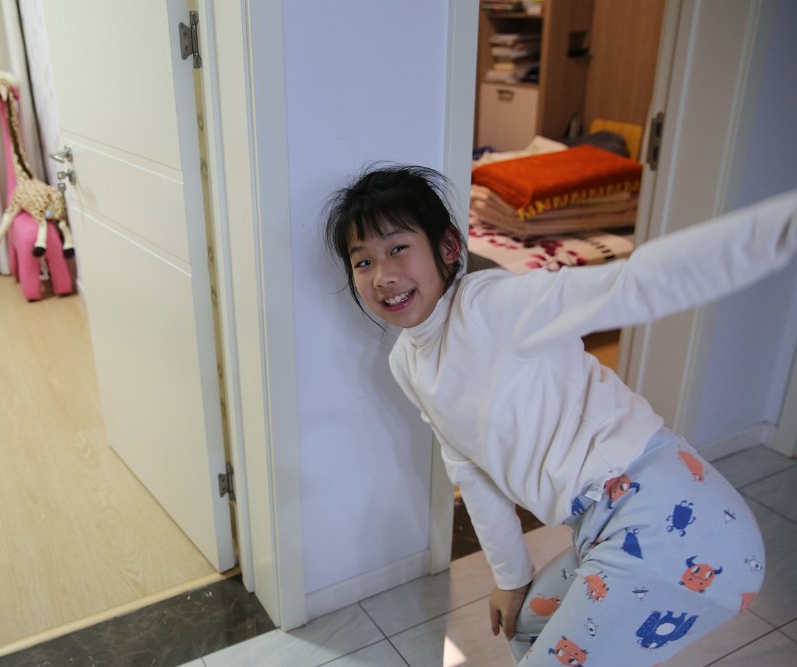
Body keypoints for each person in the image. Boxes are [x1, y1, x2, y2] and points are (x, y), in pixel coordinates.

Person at [323, 164, 797, 665]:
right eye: (363, 261)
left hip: (672, 517)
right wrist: (511, 579)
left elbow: (633, 284)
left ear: (448, 247)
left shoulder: (493, 306)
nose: (383, 276)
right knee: (525, 628)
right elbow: (468, 468)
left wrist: (782, 227)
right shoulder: (407, 362)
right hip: (600, 525)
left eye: (398, 248)